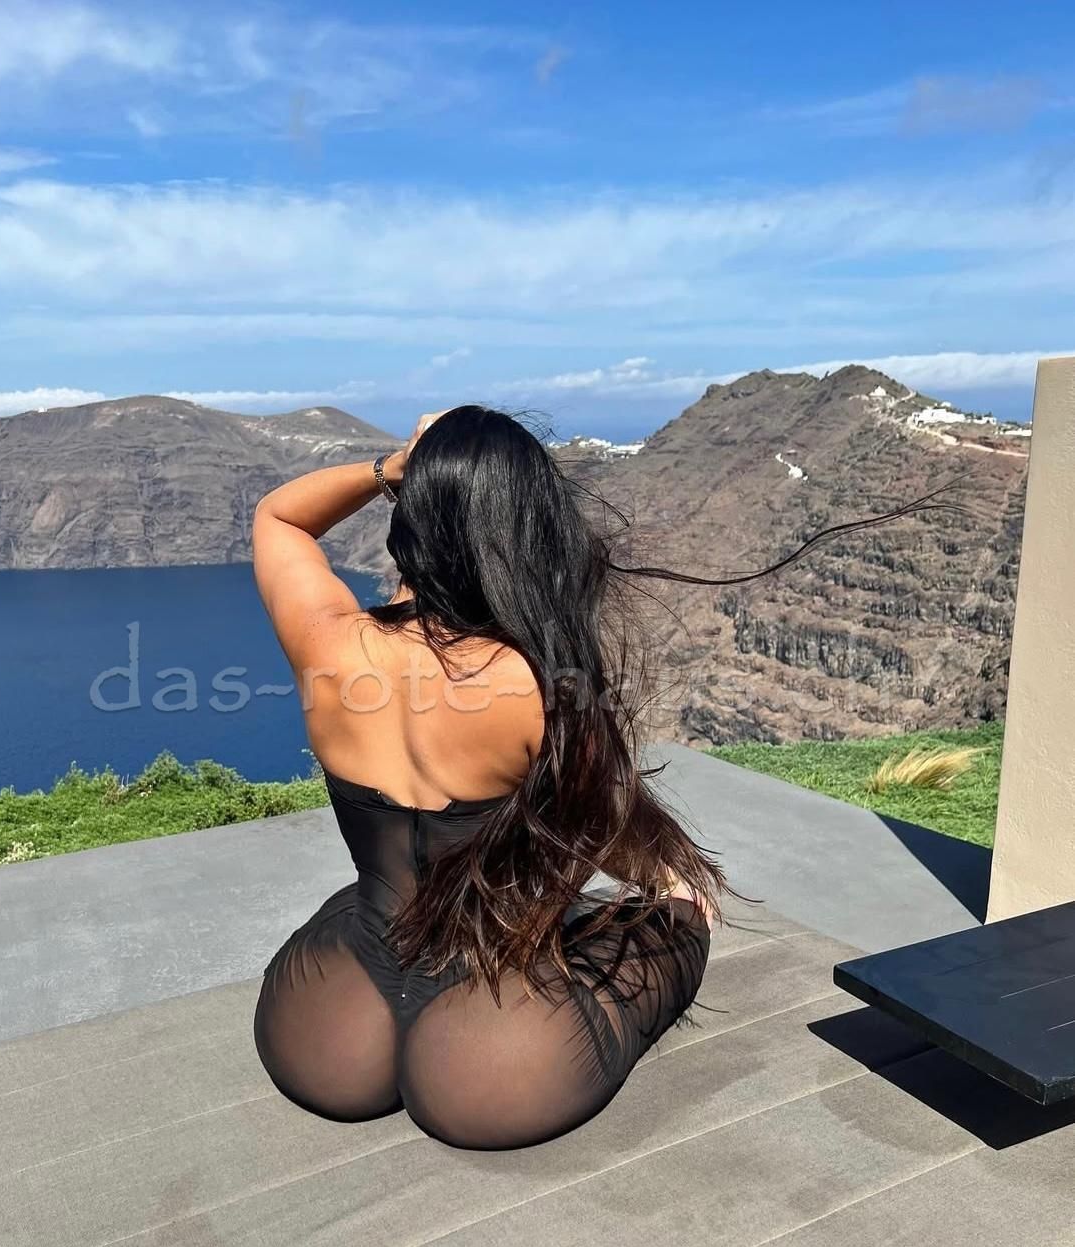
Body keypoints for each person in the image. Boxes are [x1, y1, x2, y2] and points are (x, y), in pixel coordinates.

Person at [250, 404, 957, 1151]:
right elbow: (599, 827)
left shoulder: (329, 645)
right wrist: (674, 886)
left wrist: (394, 469)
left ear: (411, 522)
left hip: (323, 1035)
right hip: (488, 1059)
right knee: (676, 921)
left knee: (369, 895)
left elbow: (280, 519)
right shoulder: (537, 682)